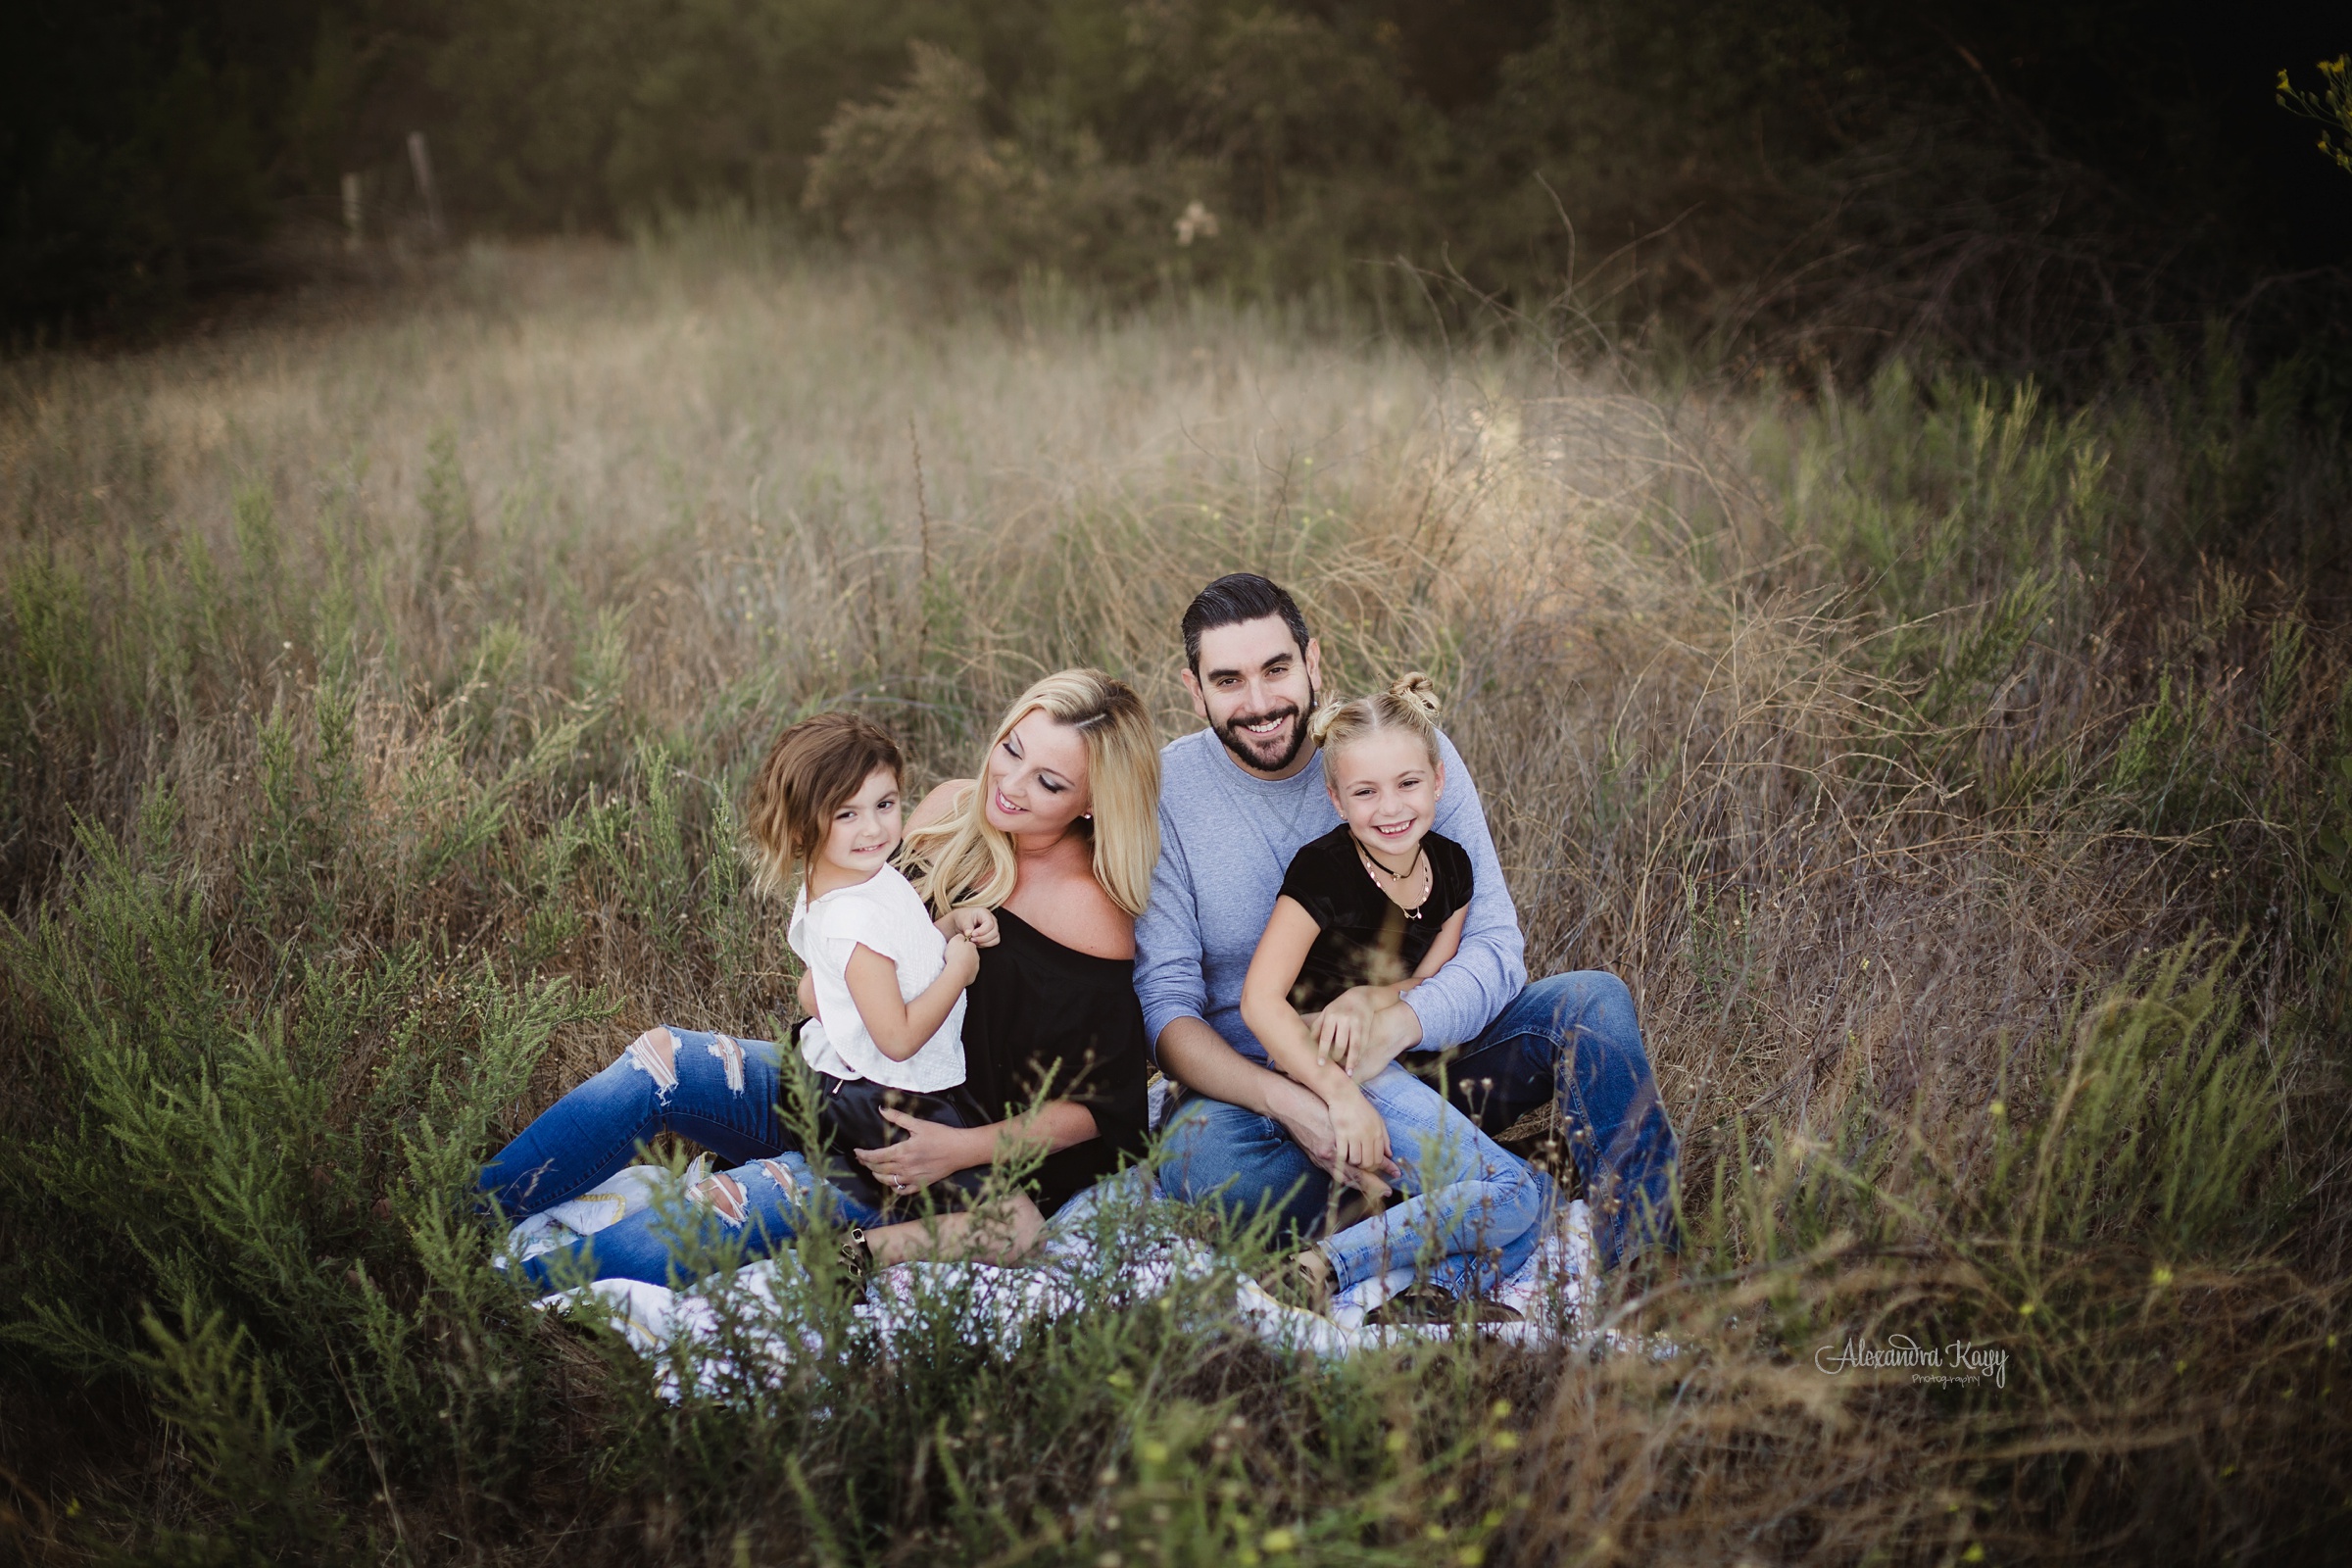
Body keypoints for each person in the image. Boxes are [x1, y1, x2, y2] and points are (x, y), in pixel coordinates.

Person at [479, 670, 1159, 1293]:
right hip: (835, 1080)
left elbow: (1103, 1107)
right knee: (662, 1061)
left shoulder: (1087, 912)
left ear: (1093, 804)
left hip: (919, 1142)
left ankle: (503, 1292)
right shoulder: (950, 812)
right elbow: (848, 950)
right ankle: (467, 1216)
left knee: (714, 1210)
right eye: (1012, 750)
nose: (1009, 785)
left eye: (1050, 782)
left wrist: (958, 1151)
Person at [1137, 573, 1680, 1268]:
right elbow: (1167, 1013)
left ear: (1313, 661)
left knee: (1591, 1003)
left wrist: (1401, 1019)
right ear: (1194, 689)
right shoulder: (1168, 796)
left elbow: (1492, 948)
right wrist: (1304, 1105)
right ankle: (1477, 1192)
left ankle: (1643, 1262)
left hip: (1422, 1062)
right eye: (1229, 680)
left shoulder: (1402, 755)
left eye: (1276, 669)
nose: (1260, 702)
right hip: (1261, 1099)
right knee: (1210, 1173)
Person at [1238, 674, 1540, 1314]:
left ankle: (1431, 1298)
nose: (1391, 808)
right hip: (1325, 1056)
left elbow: (1424, 980)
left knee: (1512, 1205)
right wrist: (1337, 1090)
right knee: (1517, 1195)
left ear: (1438, 780)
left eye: (1407, 784)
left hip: (1394, 1053)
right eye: (1365, 792)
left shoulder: (1454, 868)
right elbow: (1260, 1001)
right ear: (1337, 799)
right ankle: (1323, 1266)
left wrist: (1372, 1000)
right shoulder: (1323, 870)